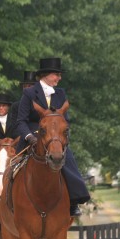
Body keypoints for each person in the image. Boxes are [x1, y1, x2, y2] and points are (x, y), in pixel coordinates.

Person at [16, 57, 90, 216]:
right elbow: (21, 121)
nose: (59, 78)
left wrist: (61, 135)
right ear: (46, 75)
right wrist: (29, 137)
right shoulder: (29, 93)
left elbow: (66, 119)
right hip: (33, 137)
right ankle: (7, 200)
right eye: (57, 74)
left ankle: (74, 201)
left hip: (56, 136)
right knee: (10, 167)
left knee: (68, 159)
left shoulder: (61, 93)